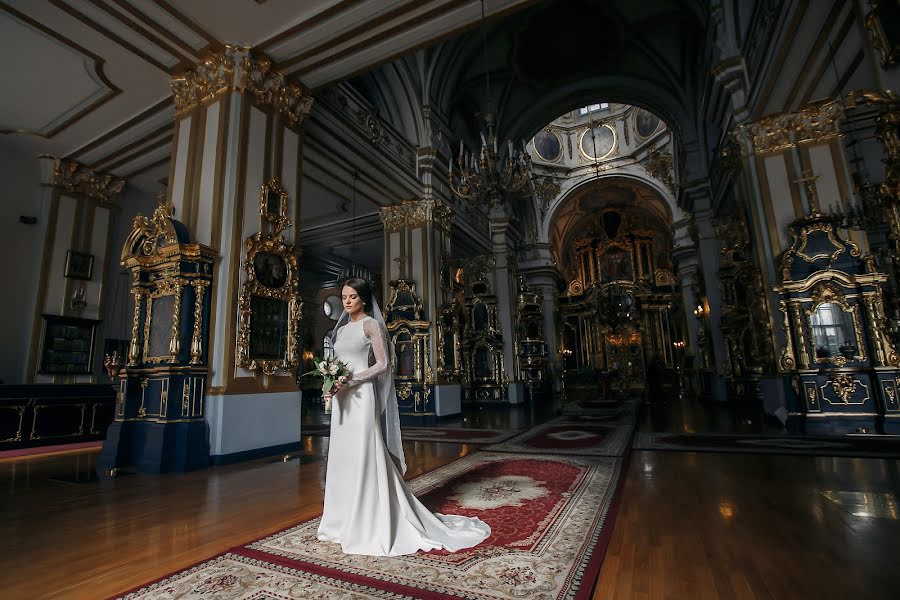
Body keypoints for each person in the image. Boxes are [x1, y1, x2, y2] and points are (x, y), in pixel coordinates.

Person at [317, 277, 491, 556]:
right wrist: (331, 384)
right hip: (342, 399)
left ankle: (370, 517)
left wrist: (352, 379)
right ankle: (340, 520)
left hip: (361, 397)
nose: (347, 302)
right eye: (344, 297)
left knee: (364, 452)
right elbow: (337, 364)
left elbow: (384, 365)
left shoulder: (370, 325)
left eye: (351, 297)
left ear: (363, 298)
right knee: (342, 455)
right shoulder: (339, 333)